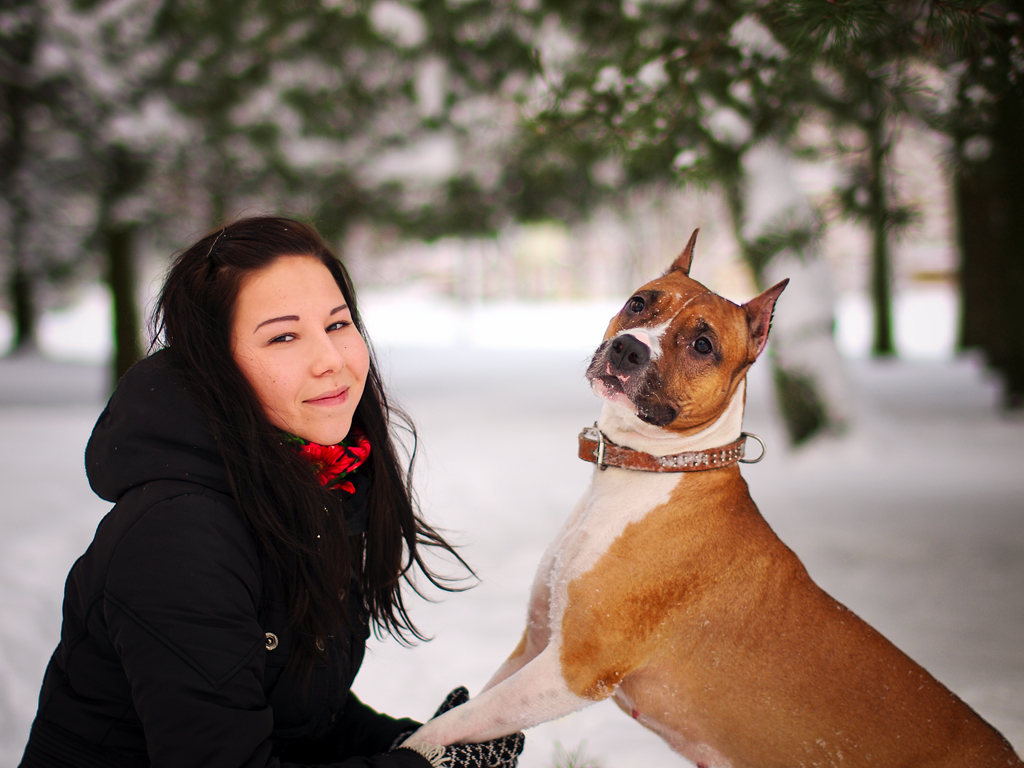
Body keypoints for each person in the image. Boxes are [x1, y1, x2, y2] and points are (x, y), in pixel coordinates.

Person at [18, 216, 525, 768]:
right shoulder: (178, 535)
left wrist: (419, 742)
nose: (330, 359)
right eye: (283, 336)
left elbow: (294, 711)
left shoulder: (315, 477)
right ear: (217, 365)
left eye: (337, 325)